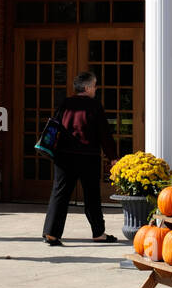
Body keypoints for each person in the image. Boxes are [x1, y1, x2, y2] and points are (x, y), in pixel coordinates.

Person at [42, 71, 118, 246]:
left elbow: (55, 125)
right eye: (95, 85)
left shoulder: (65, 103)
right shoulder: (94, 106)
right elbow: (104, 134)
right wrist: (112, 156)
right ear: (87, 87)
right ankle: (98, 233)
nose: (96, 88)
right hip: (88, 156)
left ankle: (51, 233)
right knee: (92, 195)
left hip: (64, 156)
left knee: (59, 193)